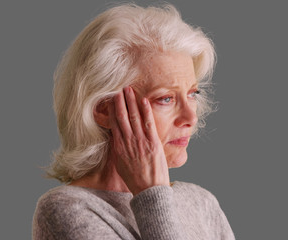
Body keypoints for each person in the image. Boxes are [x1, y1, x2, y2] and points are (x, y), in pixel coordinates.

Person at [32, 3, 234, 240]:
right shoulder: (66, 209)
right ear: (103, 109)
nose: (191, 117)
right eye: (166, 98)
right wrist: (151, 195)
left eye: (192, 94)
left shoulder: (201, 203)